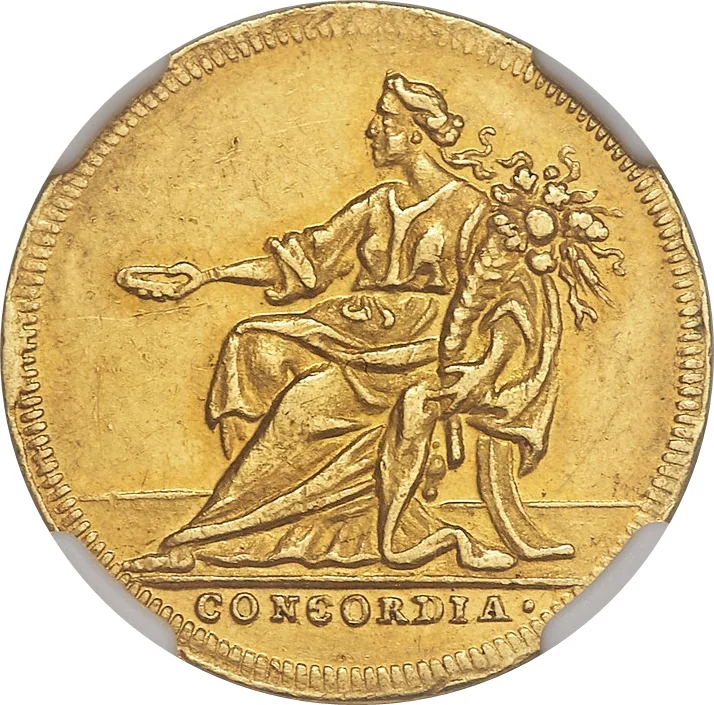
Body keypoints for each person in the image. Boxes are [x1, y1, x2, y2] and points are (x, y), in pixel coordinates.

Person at [120, 72, 577, 574]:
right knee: (255, 345)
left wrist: (481, 370)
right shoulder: (379, 203)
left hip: (422, 351)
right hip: (356, 335)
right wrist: (206, 277)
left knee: (305, 405)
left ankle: (216, 535)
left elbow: (510, 300)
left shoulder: (473, 211)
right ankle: (247, 520)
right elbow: (305, 260)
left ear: (415, 132)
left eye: (385, 119)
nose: (372, 130)